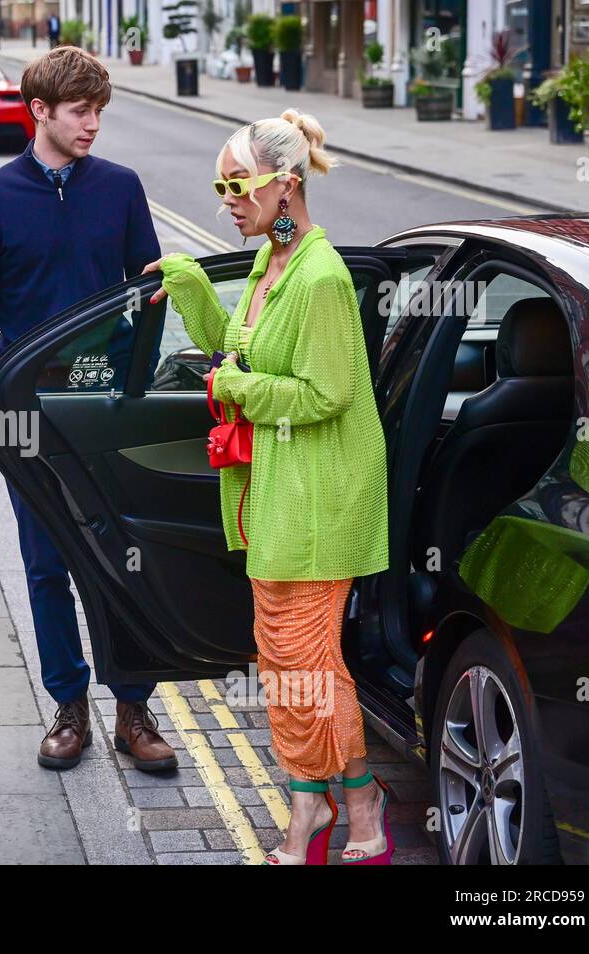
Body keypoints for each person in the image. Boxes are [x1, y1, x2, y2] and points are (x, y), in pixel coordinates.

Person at [145, 109, 392, 865]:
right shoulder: (268, 262)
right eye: (220, 187)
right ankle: (331, 804)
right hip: (280, 487)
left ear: (285, 187)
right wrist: (192, 284)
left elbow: (327, 393)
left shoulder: (320, 277)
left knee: (308, 661)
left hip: (322, 494)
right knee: (285, 659)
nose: (228, 200)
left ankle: (349, 810)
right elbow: (241, 346)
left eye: (237, 186)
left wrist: (239, 390)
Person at [0, 47, 177, 775]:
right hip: (31, 414)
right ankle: (69, 706)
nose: (92, 124)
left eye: (99, 112)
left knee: (126, 559)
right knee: (47, 565)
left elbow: (150, 292)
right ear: (40, 112)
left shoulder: (120, 188)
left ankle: (134, 708)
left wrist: (135, 387)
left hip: (106, 410)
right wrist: (1, 392)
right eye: (81, 111)